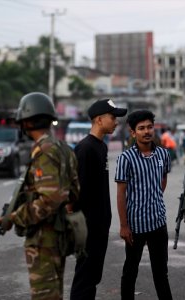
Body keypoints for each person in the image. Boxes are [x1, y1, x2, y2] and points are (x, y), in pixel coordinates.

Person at [0, 92, 79, 299]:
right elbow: (75, 192)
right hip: (60, 235)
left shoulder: (44, 151)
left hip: (44, 239)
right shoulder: (64, 149)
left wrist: (13, 218)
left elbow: (51, 198)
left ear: (27, 122)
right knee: (54, 294)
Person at [70, 98, 127, 300]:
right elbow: (78, 191)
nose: (116, 122)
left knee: (93, 277)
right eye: (113, 117)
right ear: (99, 120)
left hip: (99, 226)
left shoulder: (101, 147)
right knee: (84, 277)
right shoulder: (85, 149)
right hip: (88, 227)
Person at [115, 110, 173, 300]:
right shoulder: (126, 158)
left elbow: (162, 180)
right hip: (135, 226)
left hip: (158, 223)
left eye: (149, 127)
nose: (146, 131)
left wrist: (152, 196)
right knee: (130, 271)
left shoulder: (164, 155)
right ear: (133, 133)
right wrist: (124, 225)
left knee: (161, 273)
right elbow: (121, 193)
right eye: (141, 128)